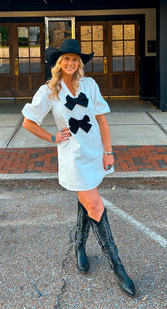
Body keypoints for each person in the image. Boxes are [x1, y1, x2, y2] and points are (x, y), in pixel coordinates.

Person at [22, 38, 137, 297]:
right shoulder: (49, 90)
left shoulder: (90, 84)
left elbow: (102, 121)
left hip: (94, 152)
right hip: (72, 157)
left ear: (80, 62)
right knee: (95, 205)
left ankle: (79, 247)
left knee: (87, 200)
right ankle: (118, 266)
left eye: (75, 59)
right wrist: (52, 137)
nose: (71, 63)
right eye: (66, 59)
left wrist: (109, 152)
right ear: (58, 62)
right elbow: (28, 122)